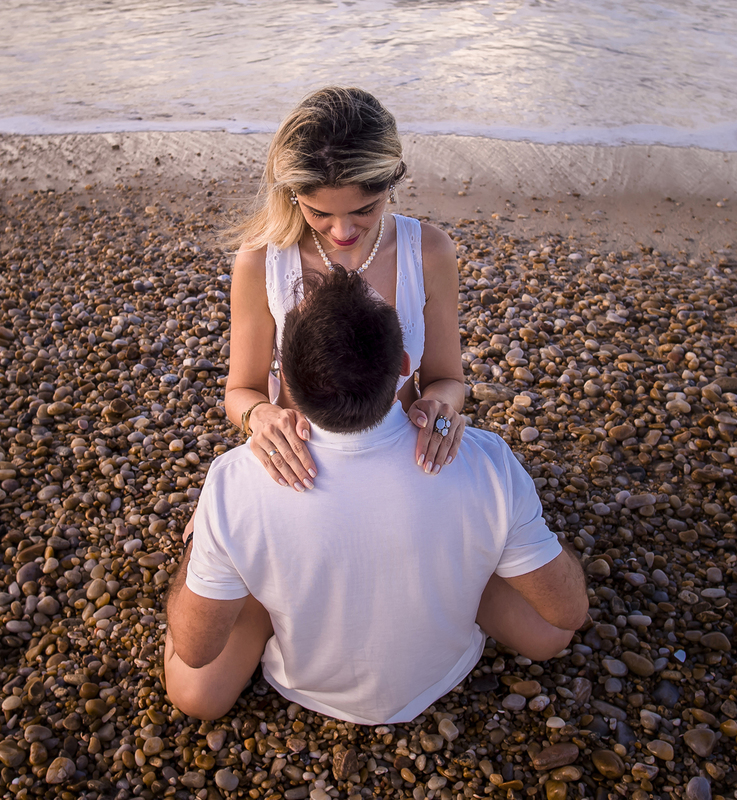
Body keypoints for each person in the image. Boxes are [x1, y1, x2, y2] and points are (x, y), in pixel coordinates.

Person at [164, 269, 589, 724]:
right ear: (405, 366)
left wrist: (203, 536)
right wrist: (504, 532)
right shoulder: (482, 459)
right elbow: (569, 612)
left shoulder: (237, 481)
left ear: (283, 376)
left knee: (196, 690)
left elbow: (194, 647)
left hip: (306, 680)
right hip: (440, 673)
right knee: (548, 631)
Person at [223, 85, 467, 491]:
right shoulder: (261, 259)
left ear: (391, 181)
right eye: (319, 212)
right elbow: (241, 390)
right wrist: (259, 417)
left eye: (364, 210)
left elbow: (448, 378)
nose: (343, 231)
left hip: (404, 456)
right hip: (300, 466)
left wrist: (441, 409)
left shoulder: (428, 252)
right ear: (293, 194)